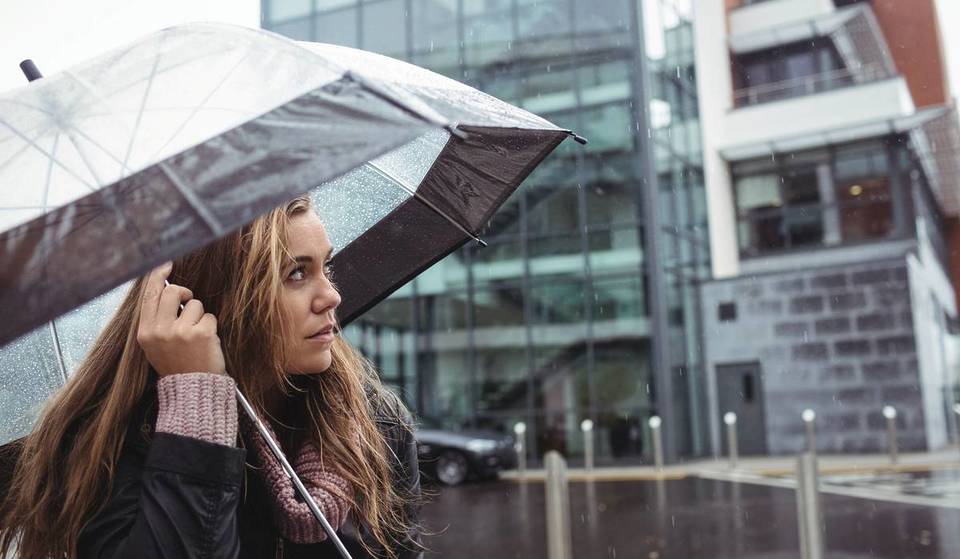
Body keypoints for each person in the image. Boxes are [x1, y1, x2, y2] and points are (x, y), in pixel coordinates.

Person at [0, 196, 423, 559]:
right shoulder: (111, 443)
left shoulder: (376, 424)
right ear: (212, 300)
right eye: (296, 273)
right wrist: (195, 405)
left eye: (325, 268)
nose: (332, 295)